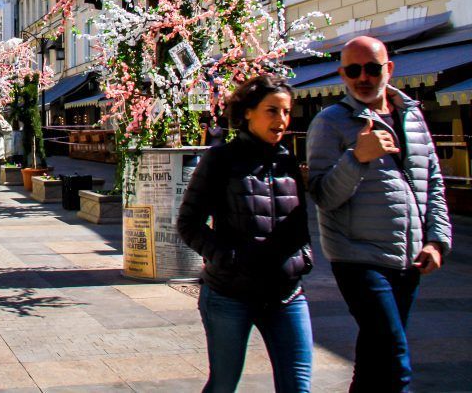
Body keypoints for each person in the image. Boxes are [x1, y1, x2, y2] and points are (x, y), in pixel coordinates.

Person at [307, 36, 451, 392]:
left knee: (374, 360)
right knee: (395, 358)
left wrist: (437, 241)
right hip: (358, 258)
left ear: (389, 69)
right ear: (342, 74)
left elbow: (432, 181)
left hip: (409, 258)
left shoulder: (412, 116)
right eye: (353, 70)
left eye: (372, 68)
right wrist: (357, 158)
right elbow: (323, 196)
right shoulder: (330, 123)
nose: (363, 77)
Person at [177, 75, 313, 393]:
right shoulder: (221, 159)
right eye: (272, 110)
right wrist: (228, 258)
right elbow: (188, 223)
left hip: (287, 294)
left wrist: (303, 258)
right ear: (249, 112)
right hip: (230, 295)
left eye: (286, 111)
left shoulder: (288, 161)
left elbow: (300, 223)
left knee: (298, 386)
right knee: (224, 384)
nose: (281, 120)